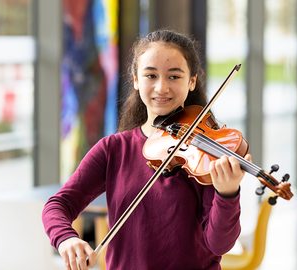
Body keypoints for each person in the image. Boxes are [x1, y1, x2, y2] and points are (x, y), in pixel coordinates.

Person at [42, 29, 250, 270]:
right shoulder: (113, 149)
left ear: (191, 81)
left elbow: (219, 244)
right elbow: (57, 205)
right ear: (135, 79)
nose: (161, 88)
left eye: (174, 76)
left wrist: (227, 194)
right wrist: (66, 239)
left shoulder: (206, 155)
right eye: (151, 75)